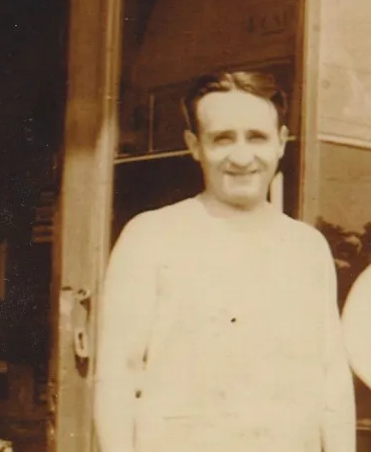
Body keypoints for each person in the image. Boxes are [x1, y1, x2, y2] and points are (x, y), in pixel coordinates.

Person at [93, 71, 356, 452]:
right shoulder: (151, 236)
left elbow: (332, 380)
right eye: (222, 139)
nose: (242, 157)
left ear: (281, 142)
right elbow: (118, 375)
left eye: (257, 137)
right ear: (195, 146)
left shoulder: (307, 247)